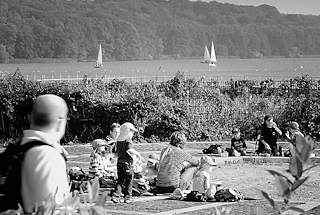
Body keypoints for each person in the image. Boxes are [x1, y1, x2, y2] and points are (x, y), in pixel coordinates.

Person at [21, 94, 70, 212]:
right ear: (60, 121)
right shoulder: (48, 156)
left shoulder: (19, 148)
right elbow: (50, 208)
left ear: (31, 118)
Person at [112, 122, 142, 203]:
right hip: (128, 164)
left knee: (120, 180)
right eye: (132, 132)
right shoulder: (128, 140)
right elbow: (129, 150)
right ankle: (128, 196)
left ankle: (116, 195)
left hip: (119, 163)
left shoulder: (118, 141)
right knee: (129, 181)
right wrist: (138, 155)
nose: (133, 134)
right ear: (127, 131)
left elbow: (114, 153)